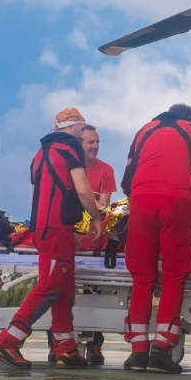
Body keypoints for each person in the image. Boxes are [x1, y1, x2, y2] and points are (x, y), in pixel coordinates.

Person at [0, 108, 103, 369]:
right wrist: (95, 219)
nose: (83, 133)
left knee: (63, 285)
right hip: (57, 227)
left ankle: (65, 346)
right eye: (82, 128)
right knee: (51, 286)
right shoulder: (71, 148)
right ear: (74, 127)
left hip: (45, 226)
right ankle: (7, 340)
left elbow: (35, 197)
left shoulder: (39, 155)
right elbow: (83, 191)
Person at [122, 103, 191, 374]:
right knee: (174, 274)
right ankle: (162, 348)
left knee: (142, 276)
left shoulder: (144, 130)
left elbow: (127, 180)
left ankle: (138, 351)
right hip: (177, 200)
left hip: (141, 200)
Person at [75, 123, 117, 365]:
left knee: (95, 291)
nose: (95, 146)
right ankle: (57, 343)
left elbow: (104, 207)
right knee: (60, 291)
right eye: (91, 142)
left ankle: (94, 345)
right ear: (79, 143)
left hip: (94, 237)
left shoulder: (106, 170)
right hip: (71, 234)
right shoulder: (69, 168)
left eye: (97, 142)